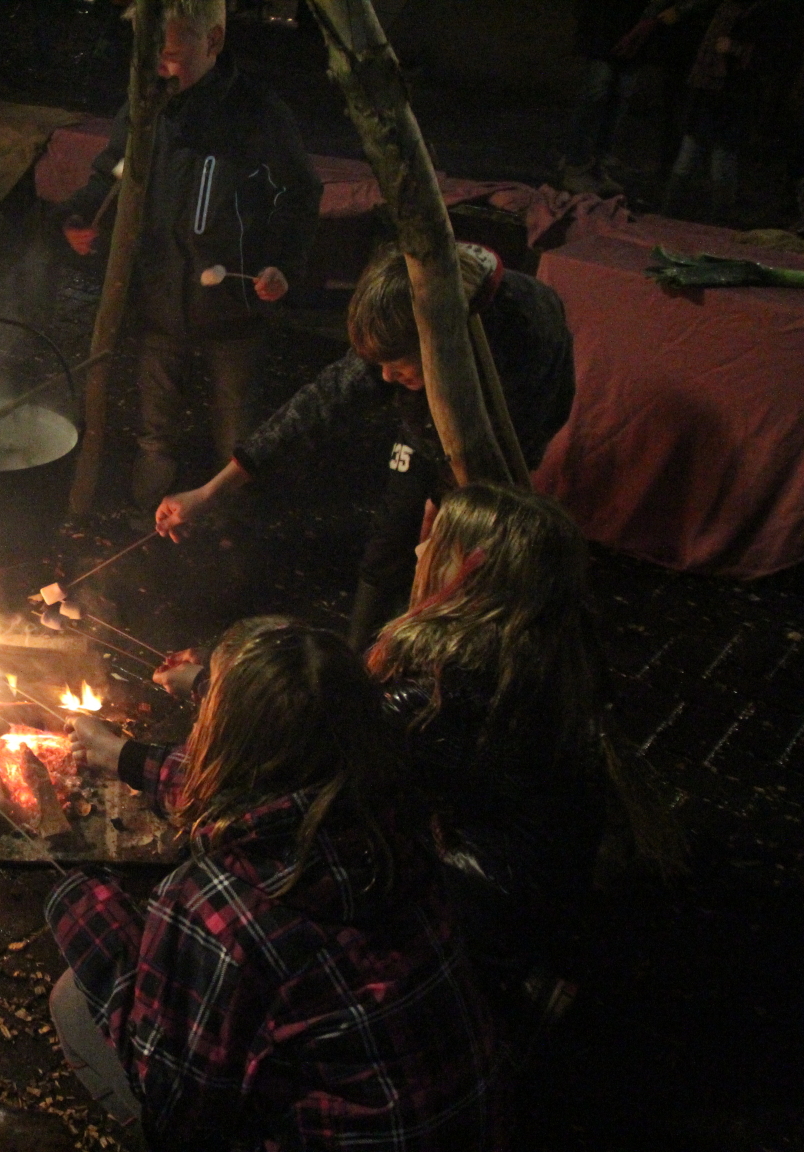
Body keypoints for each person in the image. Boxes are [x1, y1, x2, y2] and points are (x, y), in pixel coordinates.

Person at [54, 619, 502, 1151]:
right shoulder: (400, 818)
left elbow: (180, 1112)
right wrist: (125, 756)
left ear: (222, 738)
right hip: (469, 1128)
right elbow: (260, 794)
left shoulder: (219, 905)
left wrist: (82, 899)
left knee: (70, 1003)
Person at [156, 242, 576, 650]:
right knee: (389, 547)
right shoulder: (402, 317)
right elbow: (320, 405)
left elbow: (532, 430)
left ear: (439, 344)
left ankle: (426, 663)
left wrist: (451, 502)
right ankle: (361, 659)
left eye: (396, 365)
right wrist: (211, 490)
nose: (386, 378)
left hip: (494, 458)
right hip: (423, 432)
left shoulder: (523, 329)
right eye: (379, 366)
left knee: (459, 572)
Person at [367, 483, 683, 1005]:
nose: (421, 551)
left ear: (472, 570)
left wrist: (212, 683)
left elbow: (320, 747)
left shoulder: (442, 691)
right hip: (546, 901)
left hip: (482, 925)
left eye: (438, 544)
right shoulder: (545, 653)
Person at [60, 0, 321, 511]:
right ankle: (149, 520)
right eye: (149, 47)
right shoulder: (145, 107)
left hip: (234, 311)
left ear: (214, 41)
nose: (159, 61)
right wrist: (79, 216)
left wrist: (282, 267)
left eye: (173, 50)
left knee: (237, 435)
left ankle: (228, 532)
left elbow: (300, 191)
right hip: (158, 300)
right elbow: (111, 173)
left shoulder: (255, 113)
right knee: (155, 430)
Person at [659, 0, 793, 222]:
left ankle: (717, 223)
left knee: (720, 161)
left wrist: (736, 49)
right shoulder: (725, 6)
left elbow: (774, 56)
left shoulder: (767, 12)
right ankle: (667, 216)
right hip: (707, 91)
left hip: (734, 96)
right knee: (688, 155)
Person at [558, 0, 649, 195]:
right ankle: (576, 164)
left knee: (619, 100)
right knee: (596, 95)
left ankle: (598, 165)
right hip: (604, 29)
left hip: (633, 27)